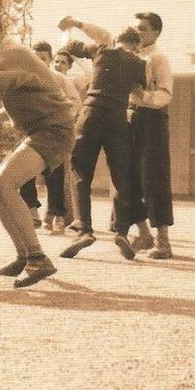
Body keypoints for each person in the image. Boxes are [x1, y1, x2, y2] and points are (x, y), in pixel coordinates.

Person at [0, 6, 75, 288]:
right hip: (44, 129)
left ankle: (38, 258)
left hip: (52, 131)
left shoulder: (10, 55)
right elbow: (1, 106)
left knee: (2, 185)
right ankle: (24, 256)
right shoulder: (9, 56)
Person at [57, 16, 148, 260]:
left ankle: (83, 228)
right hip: (118, 119)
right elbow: (141, 93)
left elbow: (68, 46)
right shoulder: (139, 64)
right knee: (121, 177)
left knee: (80, 173)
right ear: (136, 45)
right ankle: (121, 231)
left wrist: (67, 28)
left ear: (117, 40)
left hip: (90, 115)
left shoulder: (101, 51)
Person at [127, 11, 175, 259]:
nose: (138, 33)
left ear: (155, 32)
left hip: (152, 120)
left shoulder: (157, 58)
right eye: (135, 28)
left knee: (154, 178)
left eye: (143, 28)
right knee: (127, 178)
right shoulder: (128, 55)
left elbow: (166, 94)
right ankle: (143, 233)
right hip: (130, 119)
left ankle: (163, 242)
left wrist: (142, 95)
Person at [30, 41, 81, 234]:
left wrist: (61, 119)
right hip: (34, 132)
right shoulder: (28, 79)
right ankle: (32, 212)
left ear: (50, 59)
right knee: (23, 175)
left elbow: (76, 103)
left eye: (43, 58)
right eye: (35, 57)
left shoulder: (59, 79)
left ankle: (57, 216)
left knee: (56, 175)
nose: (38, 62)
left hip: (55, 133)